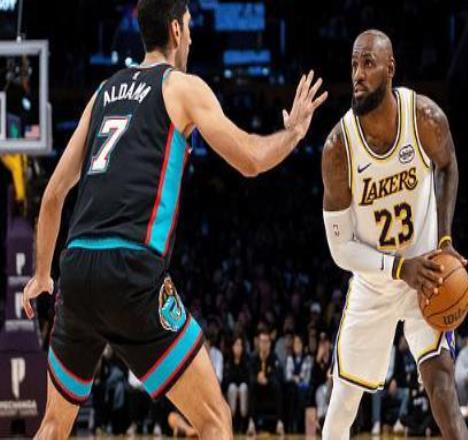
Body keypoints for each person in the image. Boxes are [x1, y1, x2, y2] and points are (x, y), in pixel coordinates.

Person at [22, 0, 327, 438]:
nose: (192, 35)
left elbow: (53, 196)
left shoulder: (104, 91)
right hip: (131, 268)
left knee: (53, 424)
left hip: (76, 268)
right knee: (214, 419)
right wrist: (294, 132)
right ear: (176, 31)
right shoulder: (181, 87)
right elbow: (250, 159)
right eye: (189, 25)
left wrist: (41, 275)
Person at [321, 29, 468, 439]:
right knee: (343, 400)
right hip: (375, 280)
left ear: (390, 69)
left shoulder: (423, 117)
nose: (358, 74)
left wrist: (444, 241)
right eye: (354, 64)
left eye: (368, 63)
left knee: (442, 383)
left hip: (428, 272)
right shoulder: (339, 148)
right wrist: (400, 267)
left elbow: (447, 163)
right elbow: (340, 248)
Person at [247, 330, 285, 437]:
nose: (264, 344)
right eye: (262, 341)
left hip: (270, 390)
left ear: (269, 344)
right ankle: (251, 423)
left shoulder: (274, 358)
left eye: (266, 342)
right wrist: (257, 379)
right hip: (258, 391)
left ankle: (279, 423)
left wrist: (267, 379)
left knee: (277, 386)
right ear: (258, 343)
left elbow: (278, 376)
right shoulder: (253, 358)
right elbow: (250, 376)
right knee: (251, 385)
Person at [223, 336, 250, 431]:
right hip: (231, 393)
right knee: (232, 388)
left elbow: (247, 380)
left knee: (243, 387)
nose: (238, 348)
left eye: (240, 345)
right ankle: (232, 420)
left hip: (244, 392)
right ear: (232, 347)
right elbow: (226, 382)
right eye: (236, 345)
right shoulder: (228, 362)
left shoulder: (247, 362)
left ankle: (244, 420)